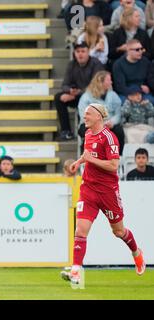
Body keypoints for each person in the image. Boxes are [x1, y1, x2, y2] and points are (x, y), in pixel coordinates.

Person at [61, 103, 146, 287]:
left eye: (88, 114)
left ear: (99, 116)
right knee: (80, 230)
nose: (85, 117)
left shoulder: (109, 137)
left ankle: (136, 253)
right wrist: (79, 161)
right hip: (88, 189)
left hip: (108, 192)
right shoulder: (88, 133)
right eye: (84, 114)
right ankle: (76, 271)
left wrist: (90, 159)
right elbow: (88, 154)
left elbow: (114, 165)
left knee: (119, 232)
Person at [55, 42, 104, 140]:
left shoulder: (96, 63)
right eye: (78, 51)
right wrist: (70, 91)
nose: (80, 54)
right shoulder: (72, 64)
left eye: (83, 51)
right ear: (74, 53)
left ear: (88, 52)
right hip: (76, 96)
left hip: (92, 97)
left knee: (85, 98)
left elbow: (95, 85)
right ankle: (66, 131)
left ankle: (83, 132)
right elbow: (64, 84)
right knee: (58, 97)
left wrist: (78, 93)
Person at [78, 71, 125, 154]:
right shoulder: (86, 97)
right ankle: (87, 157)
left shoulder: (113, 95)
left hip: (109, 124)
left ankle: (117, 157)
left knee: (119, 131)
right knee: (86, 132)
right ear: (100, 81)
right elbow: (84, 115)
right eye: (108, 80)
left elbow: (118, 114)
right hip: (90, 124)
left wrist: (112, 122)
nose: (111, 82)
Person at [113, 39, 153, 104]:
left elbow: (150, 80)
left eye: (141, 49)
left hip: (143, 93)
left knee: (150, 101)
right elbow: (120, 87)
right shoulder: (118, 64)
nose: (140, 51)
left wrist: (144, 90)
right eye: (137, 50)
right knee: (123, 102)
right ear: (128, 51)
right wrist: (137, 90)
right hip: (126, 93)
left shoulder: (146, 62)